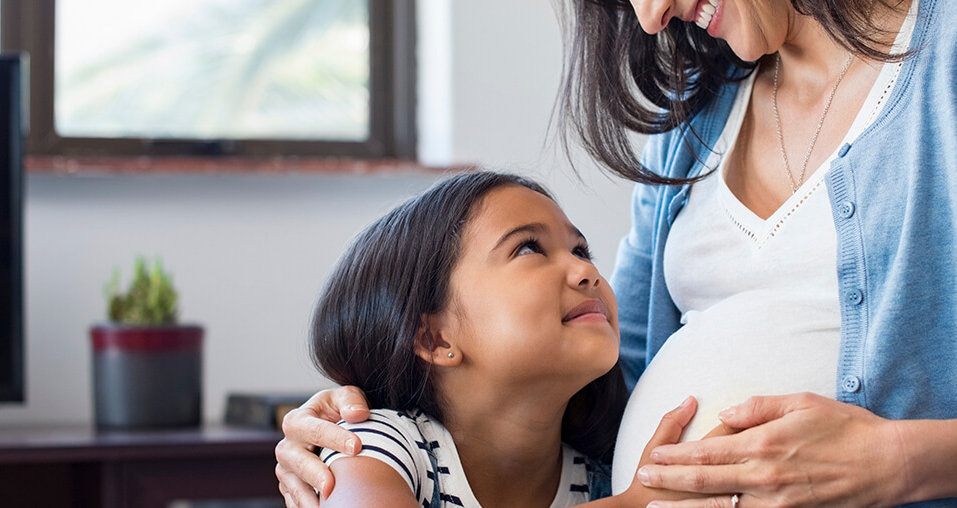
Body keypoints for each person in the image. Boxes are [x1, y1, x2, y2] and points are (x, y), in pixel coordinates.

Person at [276, 0, 957, 506]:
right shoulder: (692, 123)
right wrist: (376, 424)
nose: (646, 13)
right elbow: (609, 385)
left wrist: (902, 462)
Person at [302, 170, 723, 507]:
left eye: (580, 250)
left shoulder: (602, 477)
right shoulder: (375, 445)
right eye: (528, 249)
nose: (587, 272)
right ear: (434, 339)